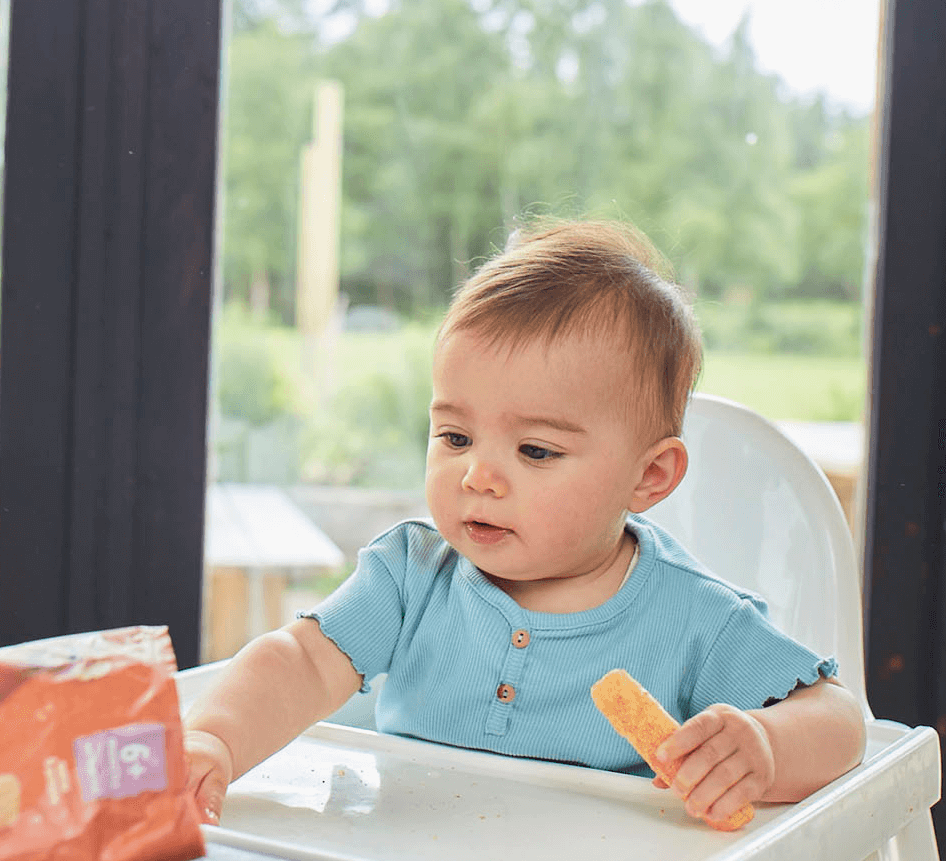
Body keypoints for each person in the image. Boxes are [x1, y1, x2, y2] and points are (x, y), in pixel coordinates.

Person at [183, 217, 865, 828]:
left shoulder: (695, 619)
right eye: (454, 438)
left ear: (648, 477)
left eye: (535, 450)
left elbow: (838, 721)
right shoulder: (409, 578)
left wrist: (763, 749)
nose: (478, 475)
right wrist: (214, 740)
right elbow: (298, 662)